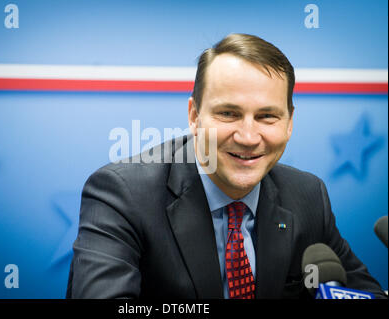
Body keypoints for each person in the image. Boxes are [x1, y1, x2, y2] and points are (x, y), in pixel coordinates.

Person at [66, 33, 386, 299]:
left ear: (289, 123)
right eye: (228, 114)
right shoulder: (121, 194)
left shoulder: (308, 196)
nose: (248, 137)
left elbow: (359, 290)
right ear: (194, 116)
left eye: (266, 116)